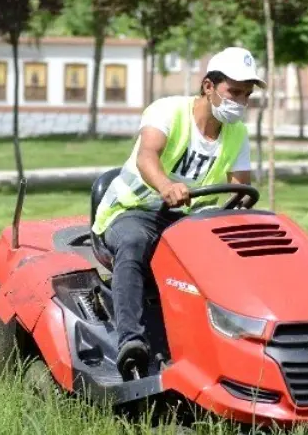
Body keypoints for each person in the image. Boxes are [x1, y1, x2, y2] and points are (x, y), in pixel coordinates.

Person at [92, 46, 264, 379]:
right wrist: (165, 186)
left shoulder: (238, 133)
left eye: (246, 95)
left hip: (187, 221)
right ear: (208, 87)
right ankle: (131, 342)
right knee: (134, 244)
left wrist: (241, 209)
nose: (240, 102)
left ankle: (236, 344)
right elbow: (147, 158)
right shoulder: (168, 111)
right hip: (132, 211)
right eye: (233, 92)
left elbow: (238, 187)